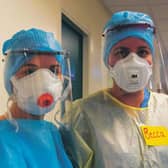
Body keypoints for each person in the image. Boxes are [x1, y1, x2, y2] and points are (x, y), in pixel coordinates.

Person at [60, 11, 168, 168]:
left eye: (142, 52)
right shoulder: (83, 115)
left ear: (151, 59)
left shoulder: (165, 109)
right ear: (108, 59)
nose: (133, 61)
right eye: (122, 52)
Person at [0, 28, 73, 168]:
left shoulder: (51, 132)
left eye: (54, 70)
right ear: (10, 80)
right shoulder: (3, 137)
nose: (43, 82)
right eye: (30, 71)